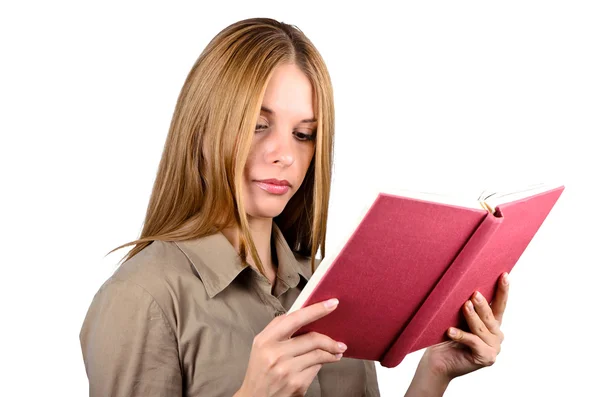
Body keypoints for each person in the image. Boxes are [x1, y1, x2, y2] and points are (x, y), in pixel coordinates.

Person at [79, 17, 510, 397]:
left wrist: (434, 374)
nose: (284, 154)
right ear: (203, 129)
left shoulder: (330, 285)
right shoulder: (143, 297)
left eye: (304, 134)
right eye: (257, 126)